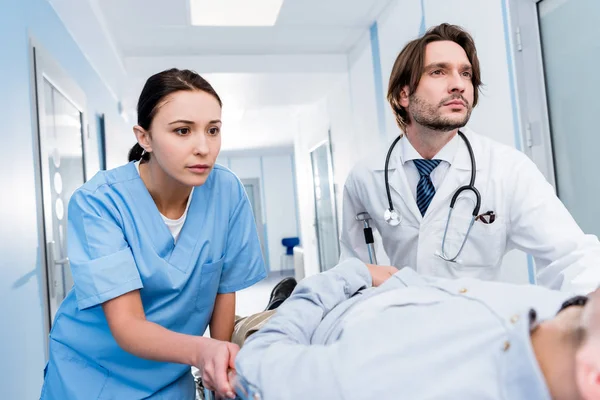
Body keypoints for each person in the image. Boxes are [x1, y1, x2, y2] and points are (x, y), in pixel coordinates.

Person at [39, 69, 267, 400]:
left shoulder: (226, 191)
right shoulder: (99, 202)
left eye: (213, 130)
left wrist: (220, 371)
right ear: (144, 137)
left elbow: (223, 288)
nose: (203, 147)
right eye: (183, 131)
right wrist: (204, 352)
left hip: (170, 373)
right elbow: (128, 325)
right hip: (91, 375)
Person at [340, 23, 600, 294]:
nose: (459, 85)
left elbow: (571, 257)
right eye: (438, 71)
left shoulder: (507, 169)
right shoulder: (365, 177)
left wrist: (583, 316)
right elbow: (352, 271)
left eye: (466, 74)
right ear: (404, 94)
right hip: (400, 326)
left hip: (479, 330)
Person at [234, 257, 600, 400]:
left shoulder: (378, 384)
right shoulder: (565, 313)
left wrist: (351, 273)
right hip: (381, 290)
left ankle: (277, 304)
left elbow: (256, 365)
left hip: (312, 319)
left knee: (236, 343)